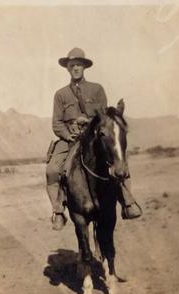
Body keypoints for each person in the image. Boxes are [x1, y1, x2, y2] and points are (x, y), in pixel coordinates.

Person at [46, 47, 143, 231]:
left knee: (118, 163)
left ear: (84, 67)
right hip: (70, 139)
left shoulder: (97, 89)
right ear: (67, 68)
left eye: (79, 65)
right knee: (52, 169)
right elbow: (56, 123)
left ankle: (127, 201)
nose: (75, 68)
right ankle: (58, 210)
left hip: (93, 138)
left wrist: (89, 124)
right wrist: (68, 134)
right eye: (72, 65)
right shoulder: (60, 94)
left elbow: (105, 118)